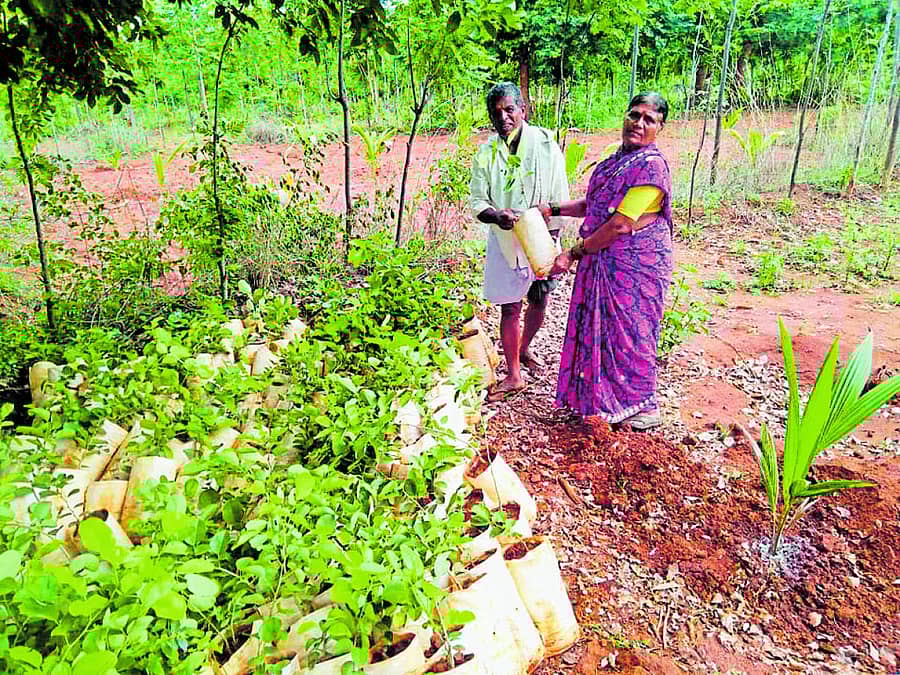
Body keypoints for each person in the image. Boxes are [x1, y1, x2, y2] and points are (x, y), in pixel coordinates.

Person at [537, 92, 673, 430]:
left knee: (631, 332)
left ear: (660, 127)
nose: (638, 123)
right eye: (634, 115)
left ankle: (641, 405)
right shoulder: (615, 162)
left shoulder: (650, 167)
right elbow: (593, 206)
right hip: (603, 256)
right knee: (602, 330)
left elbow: (620, 224)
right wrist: (552, 209)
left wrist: (573, 253)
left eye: (649, 119)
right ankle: (597, 402)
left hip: (635, 264)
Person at [469, 82, 570, 402]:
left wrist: (553, 235)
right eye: (496, 112)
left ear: (523, 110)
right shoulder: (485, 154)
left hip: (541, 234)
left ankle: (524, 348)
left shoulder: (545, 145)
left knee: (540, 299)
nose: (503, 117)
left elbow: (559, 192)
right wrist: (496, 215)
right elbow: (477, 202)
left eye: (509, 109)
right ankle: (514, 374)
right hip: (504, 238)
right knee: (510, 306)